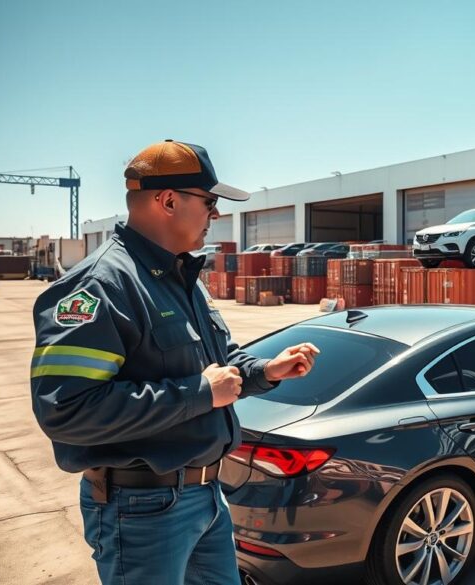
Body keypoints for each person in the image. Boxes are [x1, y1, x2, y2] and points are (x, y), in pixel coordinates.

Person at [30, 139, 320, 585]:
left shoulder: (180, 278)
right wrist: (199, 394)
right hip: (142, 511)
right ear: (167, 201)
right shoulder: (99, 287)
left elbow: (217, 363)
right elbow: (67, 409)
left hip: (206, 498)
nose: (216, 214)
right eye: (208, 202)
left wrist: (265, 370)